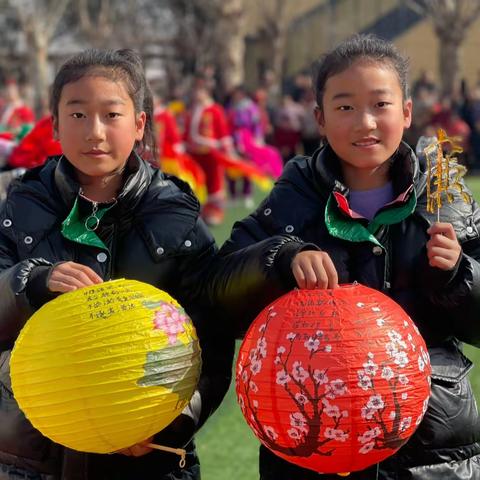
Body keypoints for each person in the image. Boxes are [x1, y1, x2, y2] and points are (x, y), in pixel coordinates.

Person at [213, 34, 480, 479]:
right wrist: (281, 258)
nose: (365, 123)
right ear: (319, 118)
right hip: (313, 440)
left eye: (380, 105)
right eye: (344, 107)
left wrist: (458, 273)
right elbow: (219, 290)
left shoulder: (443, 195)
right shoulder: (295, 195)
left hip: (432, 454)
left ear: (407, 112)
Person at [0, 48, 234, 480]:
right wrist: (30, 281)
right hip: (32, 458)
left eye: (111, 115)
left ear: (140, 123)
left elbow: (212, 340)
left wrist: (171, 422)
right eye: (77, 115)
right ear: (54, 124)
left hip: (148, 461)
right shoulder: (20, 204)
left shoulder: (175, 215)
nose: (95, 132)